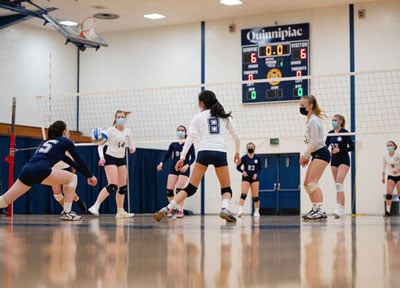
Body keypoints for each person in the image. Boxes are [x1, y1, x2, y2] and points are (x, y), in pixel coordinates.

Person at [153, 90, 240, 223]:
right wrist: (237, 152)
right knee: (226, 188)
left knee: (191, 188)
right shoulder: (224, 116)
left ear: (202, 103)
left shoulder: (198, 117)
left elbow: (190, 139)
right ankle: (224, 208)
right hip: (220, 152)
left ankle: (168, 207)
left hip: (204, 152)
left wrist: (182, 158)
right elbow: (236, 137)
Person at [0, 120, 97, 220]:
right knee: (73, 178)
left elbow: (73, 164)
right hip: (41, 169)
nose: (68, 132)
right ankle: (67, 212)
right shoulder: (65, 141)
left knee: (4, 201)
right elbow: (79, 160)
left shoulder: (46, 142)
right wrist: (90, 176)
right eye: (67, 130)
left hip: (27, 169)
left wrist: (88, 175)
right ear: (64, 132)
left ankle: (67, 212)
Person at [88, 110, 136, 219]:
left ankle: (120, 211)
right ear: (115, 119)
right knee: (112, 185)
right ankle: (95, 206)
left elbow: (131, 145)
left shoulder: (128, 131)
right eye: (119, 117)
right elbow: (100, 145)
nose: (121, 118)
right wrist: (101, 157)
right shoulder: (110, 131)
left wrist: (133, 148)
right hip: (110, 158)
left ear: (125, 118)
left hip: (121, 159)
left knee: (122, 187)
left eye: (123, 117)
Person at [299, 95, 331, 220]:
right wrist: (308, 155)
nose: (301, 108)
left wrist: (304, 155)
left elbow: (315, 143)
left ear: (310, 106)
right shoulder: (310, 120)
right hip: (316, 153)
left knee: (312, 183)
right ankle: (314, 209)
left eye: (303, 106)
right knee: (307, 184)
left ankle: (320, 210)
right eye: (300, 105)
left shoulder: (313, 120)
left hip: (321, 153)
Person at [156, 125, 195, 218]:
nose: (180, 132)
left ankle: (180, 211)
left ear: (185, 133)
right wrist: (161, 163)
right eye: (178, 130)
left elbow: (193, 157)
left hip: (184, 168)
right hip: (173, 168)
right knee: (169, 191)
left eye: (182, 130)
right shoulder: (173, 144)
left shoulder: (189, 143)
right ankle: (171, 209)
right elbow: (167, 155)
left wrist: (187, 165)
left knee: (179, 190)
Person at [325, 114, 354, 218]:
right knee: (338, 186)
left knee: (338, 183)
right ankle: (342, 208)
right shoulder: (330, 133)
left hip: (344, 160)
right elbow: (325, 146)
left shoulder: (345, 132)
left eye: (335, 120)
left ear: (341, 121)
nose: (333, 122)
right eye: (332, 120)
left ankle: (338, 207)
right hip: (334, 160)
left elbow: (352, 147)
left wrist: (340, 149)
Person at [236, 142, 262, 218]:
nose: (250, 149)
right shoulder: (243, 158)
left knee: (256, 196)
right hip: (246, 178)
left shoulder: (257, 158)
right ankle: (240, 209)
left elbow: (260, 168)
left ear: (254, 148)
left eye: (251, 147)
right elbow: (237, 167)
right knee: (243, 194)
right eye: (249, 147)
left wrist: (256, 173)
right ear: (247, 148)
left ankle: (257, 211)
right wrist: (242, 171)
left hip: (254, 178)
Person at [381, 140, 400, 217]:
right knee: (389, 194)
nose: (389, 147)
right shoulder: (385, 156)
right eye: (388, 145)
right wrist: (382, 176)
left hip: (399, 176)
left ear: (394, 146)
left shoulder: (398, 154)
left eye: (390, 145)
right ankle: (387, 211)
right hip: (391, 176)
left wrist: (398, 170)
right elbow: (383, 167)